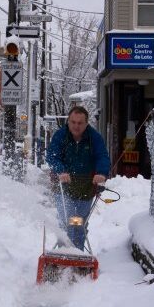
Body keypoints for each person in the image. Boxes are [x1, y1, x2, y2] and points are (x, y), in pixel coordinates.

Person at [46, 106, 111, 251]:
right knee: (65, 222)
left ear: (86, 123)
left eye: (80, 123)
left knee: (79, 223)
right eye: (73, 122)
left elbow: (102, 156)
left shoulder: (94, 138)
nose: (76, 126)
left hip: (85, 187)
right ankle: (64, 253)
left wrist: (101, 173)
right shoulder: (60, 136)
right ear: (68, 121)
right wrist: (60, 170)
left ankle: (78, 253)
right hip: (63, 186)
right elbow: (52, 156)